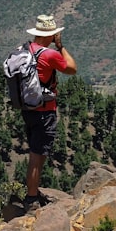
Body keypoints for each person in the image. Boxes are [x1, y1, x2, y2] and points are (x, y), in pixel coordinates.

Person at [20, 13, 77, 211]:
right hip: (44, 111)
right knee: (37, 156)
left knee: (37, 152)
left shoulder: (25, 50)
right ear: (51, 35)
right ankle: (31, 199)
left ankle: (33, 192)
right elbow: (71, 68)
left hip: (28, 109)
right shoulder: (49, 54)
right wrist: (60, 47)